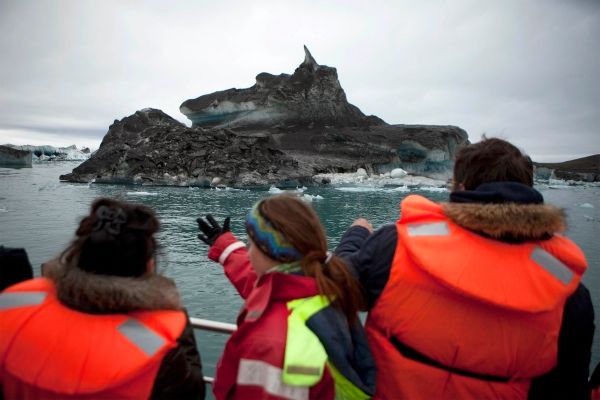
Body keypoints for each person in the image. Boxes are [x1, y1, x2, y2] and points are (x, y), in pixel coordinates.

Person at [336, 137, 595, 399]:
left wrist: (356, 235)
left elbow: (336, 287)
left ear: (459, 187)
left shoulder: (395, 247)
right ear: (529, 190)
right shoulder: (569, 295)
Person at [0, 198, 205, 399]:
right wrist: (172, 310)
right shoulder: (158, 347)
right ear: (148, 264)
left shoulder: (10, 304)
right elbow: (192, 391)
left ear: (77, 255)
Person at [197, 194, 376, 399]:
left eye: (251, 244)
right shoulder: (322, 286)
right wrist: (227, 247)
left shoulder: (270, 341)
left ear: (269, 251)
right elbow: (258, 281)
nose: (248, 251)